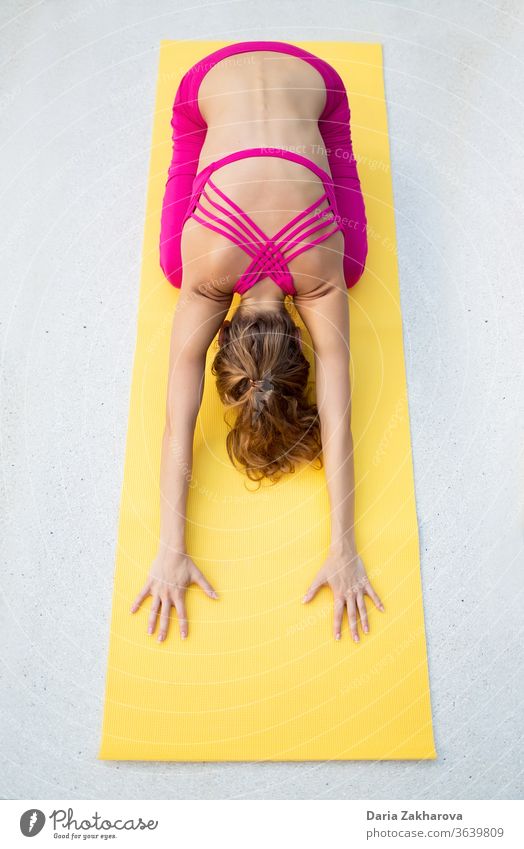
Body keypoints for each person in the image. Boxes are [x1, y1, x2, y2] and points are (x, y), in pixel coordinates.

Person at [131, 41, 384, 644]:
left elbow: (337, 417)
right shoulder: (204, 279)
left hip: (318, 83)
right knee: (176, 258)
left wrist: (174, 549)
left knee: (349, 254)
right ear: (224, 339)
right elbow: (179, 423)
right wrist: (341, 548)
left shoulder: (325, 280)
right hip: (212, 83)